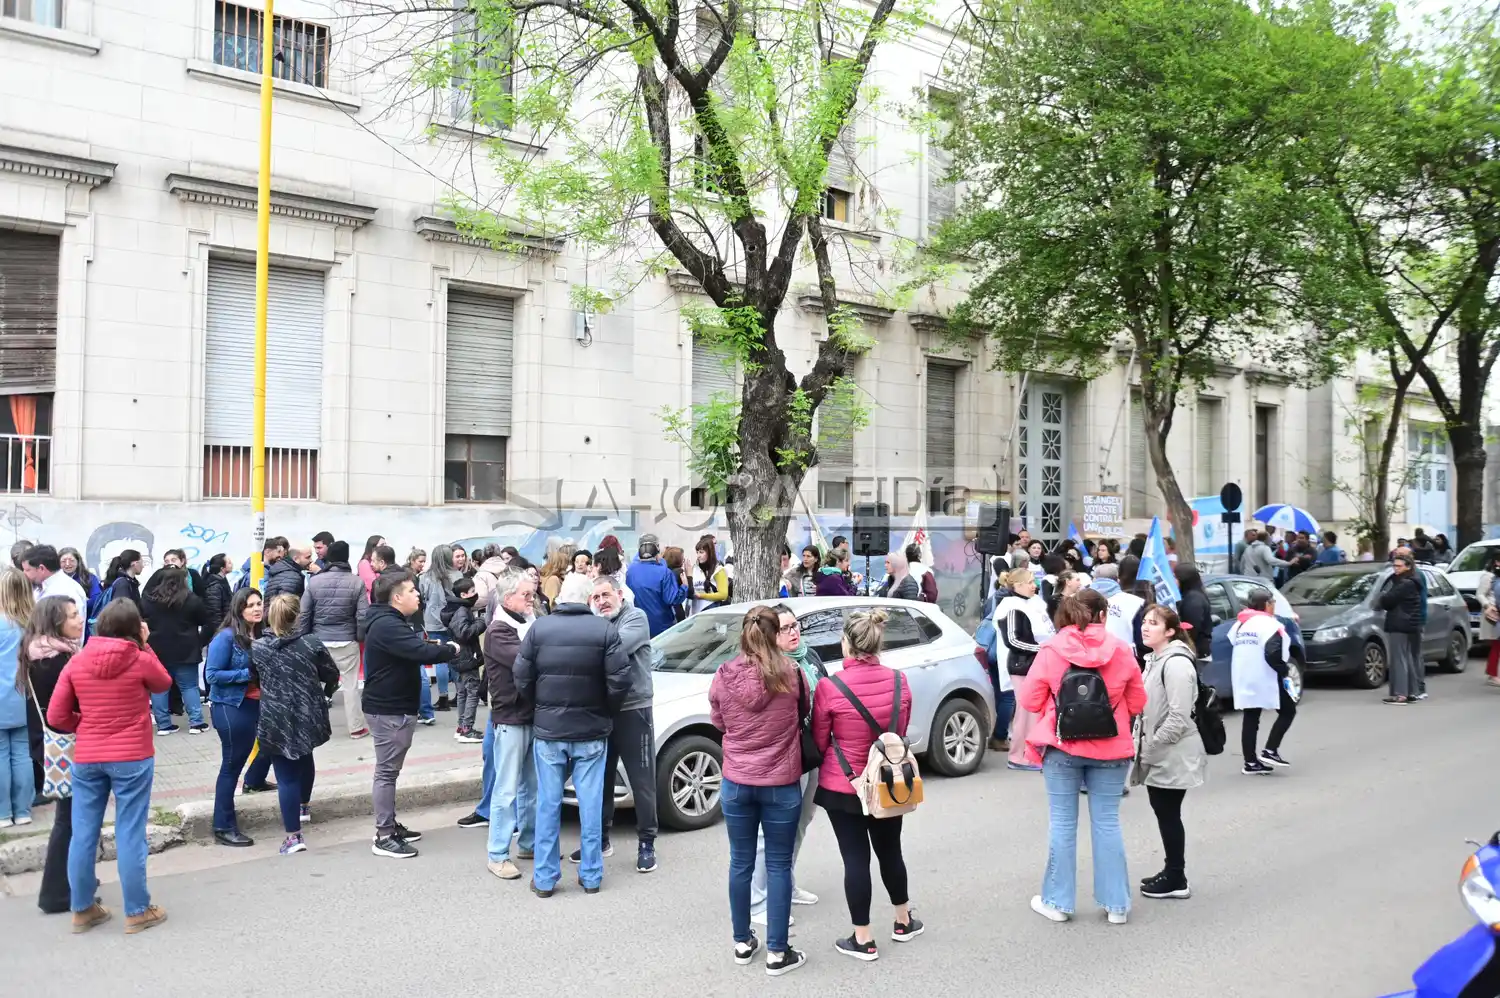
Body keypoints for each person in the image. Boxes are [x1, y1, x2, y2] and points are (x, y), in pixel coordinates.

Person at [47, 597, 172, 935]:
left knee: (83, 833)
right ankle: (137, 910)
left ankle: (83, 908)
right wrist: (147, 646)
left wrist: (85, 724)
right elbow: (164, 684)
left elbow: (56, 716)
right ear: (135, 628)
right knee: (129, 832)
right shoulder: (139, 658)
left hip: (88, 757)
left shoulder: (76, 661)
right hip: (132, 756)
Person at [1021, 589, 1146, 925]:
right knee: (1107, 822)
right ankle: (1116, 905)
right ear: (1103, 616)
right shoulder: (1122, 649)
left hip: (1063, 746)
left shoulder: (1051, 649)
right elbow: (1137, 703)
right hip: (1112, 747)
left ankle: (1058, 903)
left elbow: (1031, 701)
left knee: (1062, 823)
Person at [810, 608, 922, 961]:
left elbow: (820, 739)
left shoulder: (830, 687)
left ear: (847, 643)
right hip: (888, 783)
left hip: (845, 785)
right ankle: (903, 921)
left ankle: (863, 938)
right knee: (891, 850)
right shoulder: (899, 681)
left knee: (854, 858)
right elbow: (898, 730)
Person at [515, 573, 630, 897]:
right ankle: (591, 875)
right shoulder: (605, 630)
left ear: (561, 597)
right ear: (588, 599)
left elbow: (521, 675)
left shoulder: (539, 628)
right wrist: (604, 709)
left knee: (548, 804)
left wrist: (540, 704)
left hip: (550, 730)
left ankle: (546, 878)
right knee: (591, 805)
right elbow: (621, 681)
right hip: (592, 731)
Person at [710, 605, 808, 976]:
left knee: (740, 862)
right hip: (781, 782)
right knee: (779, 865)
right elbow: (802, 715)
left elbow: (718, 720)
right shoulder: (791, 674)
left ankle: (741, 941)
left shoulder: (723, 675)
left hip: (737, 780)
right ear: (774, 634)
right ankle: (778, 952)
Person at [361, 570, 460, 858]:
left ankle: (389, 824)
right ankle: (384, 835)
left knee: (389, 771)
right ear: (396, 597)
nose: (418, 595)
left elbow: (414, 648)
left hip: (395, 706)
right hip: (388, 709)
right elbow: (419, 651)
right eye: (412, 591)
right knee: (386, 773)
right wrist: (449, 650)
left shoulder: (389, 621)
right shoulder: (387, 625)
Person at [749, 604, 825, 925]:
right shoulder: (769, 668)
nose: (794, 633)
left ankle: (786, 883)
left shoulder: (809, 656)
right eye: (785, 628)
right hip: (785, 758)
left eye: (796, 626)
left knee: (802, 821)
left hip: (813, 752)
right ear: (771, 635)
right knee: (775, 830)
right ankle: (760, 897)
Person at [252, 594, 339, 855]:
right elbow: (332, 674)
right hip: (307, 711)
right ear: (297, 616)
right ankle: (303, 806)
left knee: (285, 775)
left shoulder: (258, 647)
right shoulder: (311, 643)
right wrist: (324, 692)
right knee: (305, 755)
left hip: (275, 715)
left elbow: (253, 677)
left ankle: (293, 836)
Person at [587, 575, 660, 873]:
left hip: (634, 709)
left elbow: (616, 649)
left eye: (606, 595)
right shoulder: (598, 624)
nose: (602, 601)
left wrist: (588, 646)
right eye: (596, 598)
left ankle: (647, 843)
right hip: (604, 711)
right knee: (600, 780)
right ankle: (601, 839)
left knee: (642, 781)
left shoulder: (636, 617)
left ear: (619, 594)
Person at [1134, 605, 1207, 901]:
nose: (1145, 627)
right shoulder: (1154, 659)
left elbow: (1179, 717)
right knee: (1164, 812)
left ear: (1170, 631)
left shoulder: (1176, 664)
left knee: (1168, 813)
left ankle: (1177, 877)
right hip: (1160, 750)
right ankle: (1172, 871)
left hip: (1172, 751)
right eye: (1144, 622)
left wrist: (1151, 748)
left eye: (1154, 623)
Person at [471, 573, 537, 878]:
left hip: (530, 715)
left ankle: (529, 843)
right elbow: (526, 661)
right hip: (510, 718)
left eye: (531, 594)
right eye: (525, 594)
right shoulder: (499, 630)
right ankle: (497, 854)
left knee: (531, 788)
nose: (530, 598)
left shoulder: (525, 623)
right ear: (507, 598)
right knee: (507, 790)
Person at [22, 595, 83, 912]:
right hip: (62, 746)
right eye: (72, 615)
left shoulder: (41, 653)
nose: (79, 619)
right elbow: (67, 709)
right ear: (56, 622)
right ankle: (56, 892)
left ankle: (70, 880)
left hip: (49, 744)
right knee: (68, 821)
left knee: (70, 818)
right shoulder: (54, 661)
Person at [205, 588, 265, 846]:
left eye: (259, 603)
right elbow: (212, 675)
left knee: (270, 748)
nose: (256, 608)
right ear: (239, 609)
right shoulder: (226, 638)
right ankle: (223, 826)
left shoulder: (260, 634)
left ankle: (255, 781)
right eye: (250, 605)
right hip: (230, 706)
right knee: (231, 765)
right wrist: (246, 674)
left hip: (256, 704)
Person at [295, 540, 370, 738]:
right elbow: (363, 616)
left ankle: (310, 727)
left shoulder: (315, 581)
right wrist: (359, 637)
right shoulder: (356, 582)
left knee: (314, 684)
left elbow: (304, 613)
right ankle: (356, 728)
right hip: (346, 641)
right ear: (347, 557)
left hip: (319, 641)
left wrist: (303, 639)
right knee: (351, 685)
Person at [1230, 588, 1296, 773]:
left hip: (1244, 675)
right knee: (1288, 711)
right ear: (1267, 604)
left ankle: (1250, 762)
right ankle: (1270, 749)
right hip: (1266, 675)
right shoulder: (1268, 624)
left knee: (1251, 717)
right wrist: (1283, 670)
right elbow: (1273, 652)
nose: (1274, 605)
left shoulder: (1241, 623)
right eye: (1273, 602)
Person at [141, 567, 210, 735]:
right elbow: (204, 619)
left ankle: (163, 725)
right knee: (189, 687)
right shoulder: (191, 599)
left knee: (159, 688)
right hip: (186, 651)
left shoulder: (149, 600)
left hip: (157, 651)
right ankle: (196, 723)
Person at [996, 568, 1052, 770]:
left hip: (1035, 664)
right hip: (1022, 666)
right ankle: (1018, 756)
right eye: (1029, 582)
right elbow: (1012, 640)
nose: (1034, 585)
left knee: (1035, 713)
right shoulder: (1010, 607)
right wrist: (1042, 648)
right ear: (1018, 585)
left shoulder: (1032, 603)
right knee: (1025, 713)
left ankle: (1032, 753)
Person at [0, 569, 33, 829]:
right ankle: (23, 811)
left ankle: (3, 813)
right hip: (24, 696)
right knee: (22, 754)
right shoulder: (33, 623)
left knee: (0, 755)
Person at [440, 576, 488, 742]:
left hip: (459, 657)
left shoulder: (455, 608)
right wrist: (481, 622)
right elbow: (464, 633)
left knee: (462, 693)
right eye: (472, 591)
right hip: (467, 657)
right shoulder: (461, 611)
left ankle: (461, 727)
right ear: (463, 594)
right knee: (472, 692)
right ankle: (467, 728)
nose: (476, 594)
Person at [419, 544, 461, 712]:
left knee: (440, 660)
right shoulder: (457, 575)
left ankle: (442, 696)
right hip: (453, 620)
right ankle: (460, 693)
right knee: (456, 656)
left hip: (433, 621)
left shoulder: (426, 577)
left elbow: (423, 597)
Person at [1378, 554, 1425, 706]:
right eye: (1394, 566)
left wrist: (1384, 595)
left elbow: (1387, 600)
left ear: (1408, 566)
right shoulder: (1413, 582)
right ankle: (1411, 692)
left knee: (1399, 660)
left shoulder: (1404, 583)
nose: (1395, 569)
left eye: (1399, 566)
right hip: (1410, 623)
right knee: (1407, 658)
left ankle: (1400, 695)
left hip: (1400, 623)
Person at [625, 534, 692, 637]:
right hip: (662, 627)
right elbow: (672, 599)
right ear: (656, 548)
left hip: (639, 626)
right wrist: (684, 587)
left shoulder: (630, 571)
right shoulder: (664, 572)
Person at [1105, 555, 1149, 657]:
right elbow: (1143, 640)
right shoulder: (1140, 603)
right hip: (1131, 658)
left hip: (1110, 653)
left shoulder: (1110, 599)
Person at [21, 544, 87, 611]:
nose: (24, 574)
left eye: (27, 570)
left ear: (41, 569)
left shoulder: (66, 592)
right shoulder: (40, 587)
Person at [1173, 564, 1214, 658]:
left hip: (1195, 652)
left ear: (1184, 579)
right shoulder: (1187, 596)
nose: (1172, 581)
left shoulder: (1193, 600)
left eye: (1175, 577)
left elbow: (1191, 629)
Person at [1477, 551, 1500, 687]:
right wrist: (1487, 605)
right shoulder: (1488, 577)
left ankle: (1492, 672)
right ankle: (1492, 674)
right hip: (1493, 615)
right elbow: (1480, 594)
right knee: (1496, 645)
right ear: (1496, 562)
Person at [691, 536, 731, 615]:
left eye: (701, 552)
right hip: (695, 611)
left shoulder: (718, 570)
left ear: (709, 553)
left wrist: (702, 596)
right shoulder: (695, 569)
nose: (698, 555)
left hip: (711, 610)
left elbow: (723, 595)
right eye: (697, 552)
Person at [472, 544, 509, 611]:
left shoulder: (481, 575)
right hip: (509, 607)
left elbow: (481, 598)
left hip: (494, 611)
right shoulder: (509, 569)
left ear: (484, 555)